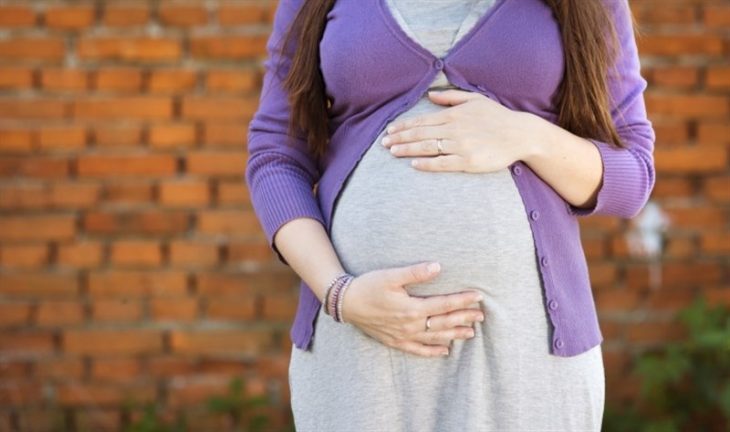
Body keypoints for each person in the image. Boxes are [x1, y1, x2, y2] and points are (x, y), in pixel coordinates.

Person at [245, 0, 656, 430]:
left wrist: (527, 135)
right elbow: (276, 155)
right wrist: (340, 294)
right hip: (358, 343)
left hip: (526, 349)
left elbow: (633, 176)